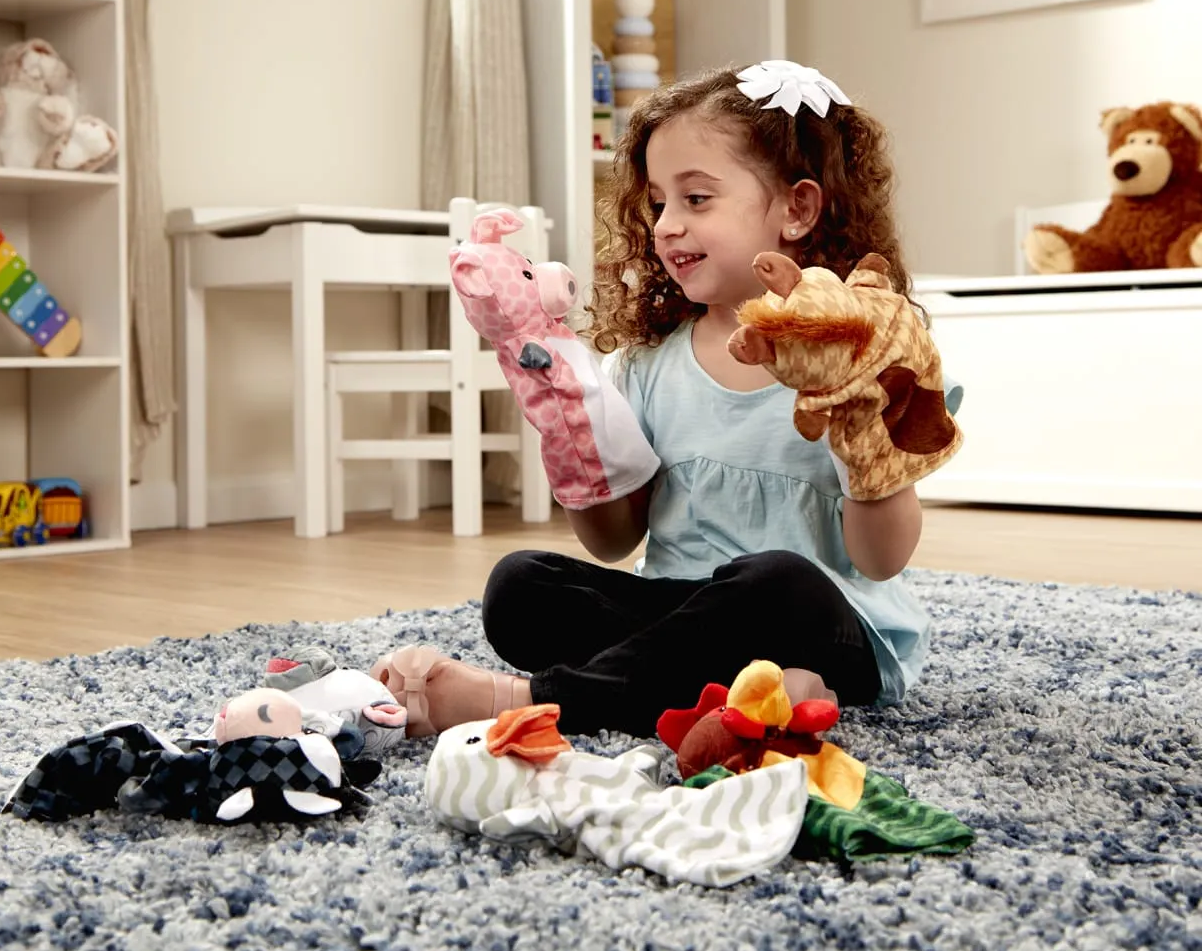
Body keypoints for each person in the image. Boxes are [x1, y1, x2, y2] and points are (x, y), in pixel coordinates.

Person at [371, 61, 961, 739]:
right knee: (519, 587)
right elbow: (615, 540)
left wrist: (863, 426)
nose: (668, 226)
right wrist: (567, 425)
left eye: (697, 199)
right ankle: (748, 696)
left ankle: (532, 701)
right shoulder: (650, 365)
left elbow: (882, 560)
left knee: (776, 582)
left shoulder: (866, 359)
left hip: (820, 622)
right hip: (678, 613)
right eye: (658, 204)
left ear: (797, 209)